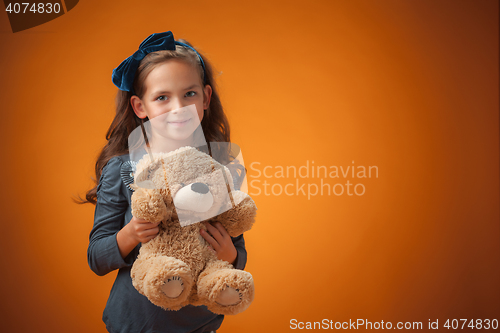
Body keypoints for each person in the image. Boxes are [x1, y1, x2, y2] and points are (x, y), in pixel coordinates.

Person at [83, 31, 248, 333]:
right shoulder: (122, 168)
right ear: (140, 107)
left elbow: (236, 244)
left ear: (206, 97)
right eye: (162, 97)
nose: (178, 107)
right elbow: (96, 257)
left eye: (189, 94)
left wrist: (232, 256)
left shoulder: (218, 167)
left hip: (202, 324)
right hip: (135, 324)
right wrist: (130, 234)